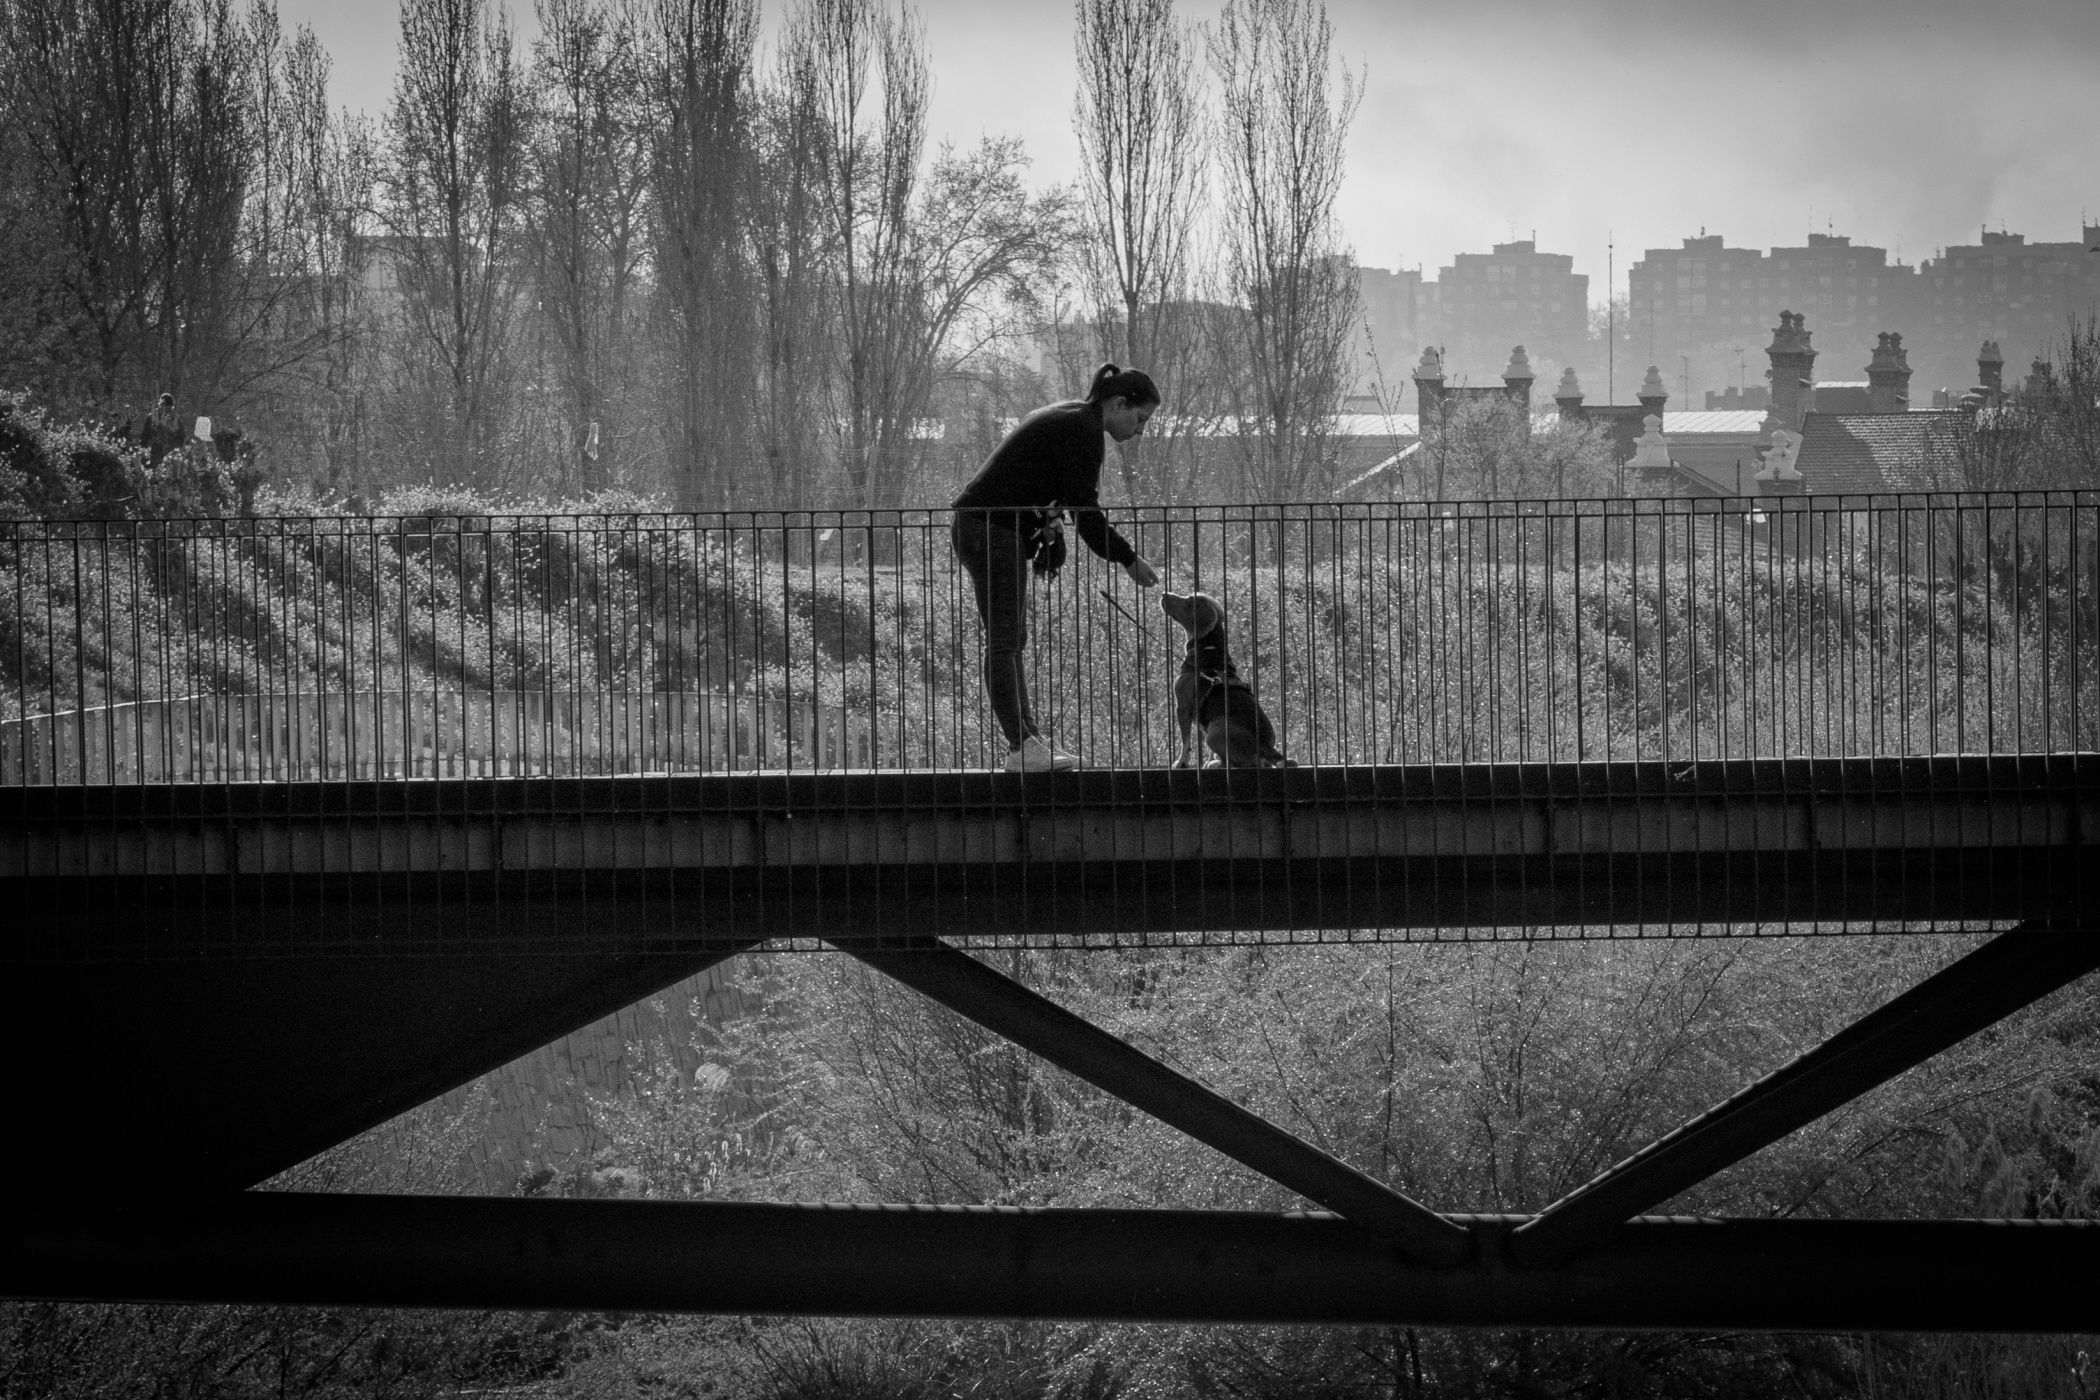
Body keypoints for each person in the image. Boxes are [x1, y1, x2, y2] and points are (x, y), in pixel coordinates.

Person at [952, 362, 1162, 772]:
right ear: (1118, 403)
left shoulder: (1073, 416)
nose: (1140, 431)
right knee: (1004, 641)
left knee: (1012, 638)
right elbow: (1087, 514)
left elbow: (1048, 489)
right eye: (1140, 419)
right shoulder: (1082, 431)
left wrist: (1049, 528)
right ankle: (1021, 747)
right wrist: (1128, 558)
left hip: (987, 528)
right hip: (991, 531)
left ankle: (1028, 741)